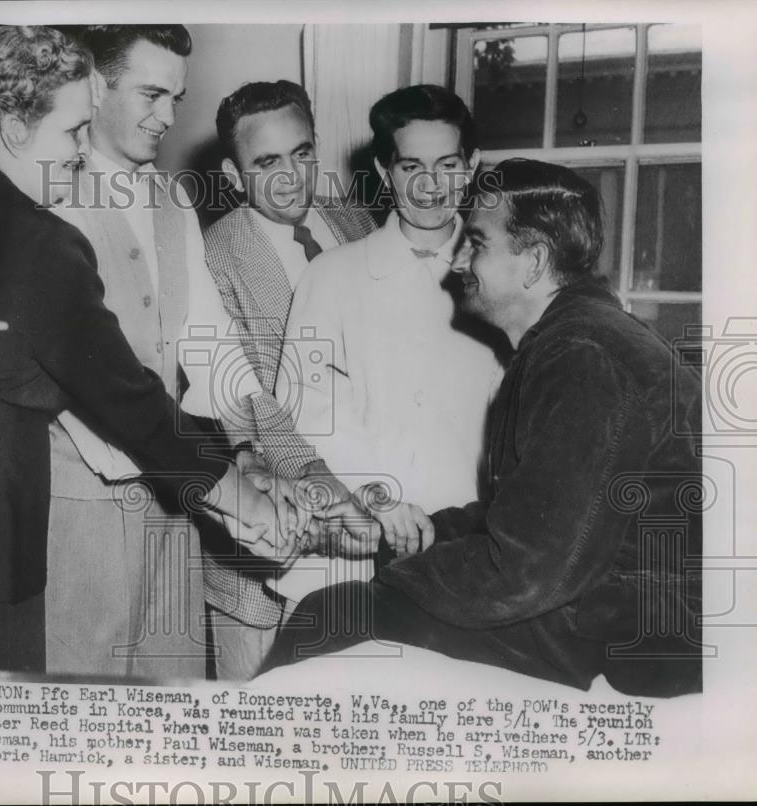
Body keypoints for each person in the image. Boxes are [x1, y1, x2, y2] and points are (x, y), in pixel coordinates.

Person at [0, 26, 291, 681]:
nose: (81, 150)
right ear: (16, 131)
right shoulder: (41, 240)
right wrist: (241, 504)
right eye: (75, 130)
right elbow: (129, 400)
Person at [263, 158, 704, 698]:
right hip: (590, 603)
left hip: (623, 637)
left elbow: (528, 570)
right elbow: (526, 518)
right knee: (338, 612)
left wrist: (399, 575)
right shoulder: (572, 340)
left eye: (477, 243)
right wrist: (409, 534)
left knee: (336, 615)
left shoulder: (581, 358)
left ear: (534, 261)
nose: (457, 262)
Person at [44, 26, 301, 680]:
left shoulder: (173, 200)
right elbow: (83, 385)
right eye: (151, 94)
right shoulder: (46, 194)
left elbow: (212, 347)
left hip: (177, 499)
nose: (167, 117)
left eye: (176, 99)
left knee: (173, 699)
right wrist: (226, 490)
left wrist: (248, 456)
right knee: (83, 704)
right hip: (77, 506)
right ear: (95, 87)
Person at [273, 85, 503, 604]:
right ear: (383, 172)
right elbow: (309, 408)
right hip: (351, 543)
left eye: (447, 165)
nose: (430, 186)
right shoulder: (330, 275)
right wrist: (379, 494)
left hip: (467, 550)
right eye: (409, 167)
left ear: (473, 165)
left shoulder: (505, 281)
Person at [202, 80, 377, 680]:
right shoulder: (215, 255)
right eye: (266, 162)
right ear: (232, 174)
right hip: (269, 536)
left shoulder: (354, 222)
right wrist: (320, 483)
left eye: (302, 154)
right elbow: (240, 394)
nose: (290, 179)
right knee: (255, 717)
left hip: (365, 522)